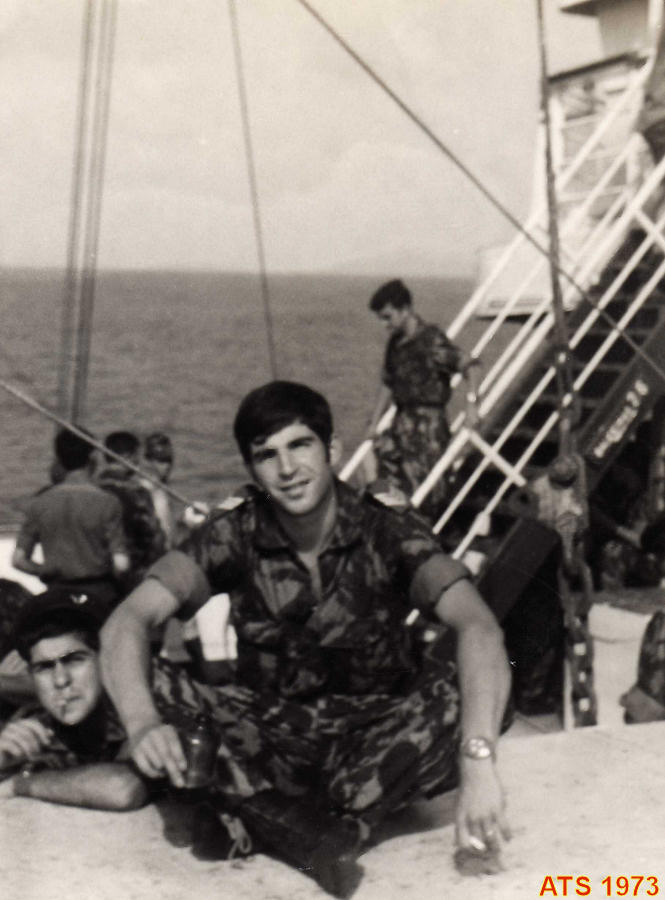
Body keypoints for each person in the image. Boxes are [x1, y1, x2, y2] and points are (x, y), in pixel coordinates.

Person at [100, 380, 511, 897]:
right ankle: (321, 830)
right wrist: (142, 725)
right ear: (252, 469)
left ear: (332, 449)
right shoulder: (234, 530)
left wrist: (478, 762)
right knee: (149, 679)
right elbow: (127, 621)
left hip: (370, 742)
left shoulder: (386, 527)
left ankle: (257, 816)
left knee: (467, 688)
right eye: (267, 455)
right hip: (269, 739)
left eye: (300, 445)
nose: (288, 469)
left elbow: (478, 626)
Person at [0, 588, 147, 810]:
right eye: (44, 667)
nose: (61, 680)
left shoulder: (144, 701)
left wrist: (19, 784)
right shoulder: (36, 725)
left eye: (75, 660)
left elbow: (123, 788)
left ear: (106, 659)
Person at [366, 279, 465, 516]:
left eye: (388, 317)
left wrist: (472, 405)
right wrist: (373, 423)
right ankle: (401, 524)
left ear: (406, 309)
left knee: (427, 492)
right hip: (402, 424)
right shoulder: (395, 343)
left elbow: (470, 365)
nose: (384, 324)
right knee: (379, 475)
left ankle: (422, 529)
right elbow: (388, 382)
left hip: (428, 428)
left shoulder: (431, 339)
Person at [12, 429, 129, 618]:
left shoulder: (40, 503)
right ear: (92, 458)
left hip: (57, 594)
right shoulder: (108, 502)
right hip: (99, 595)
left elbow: (18, 560)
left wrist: (46, 571)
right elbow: (121, 565)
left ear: (59, 459)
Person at [97, 431, 167, 590]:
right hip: (130, 577)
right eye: (137, 456)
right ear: (129, 456)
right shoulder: (137, 493)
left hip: (97, 570)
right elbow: (155, 539)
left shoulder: (92, 487)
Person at [142, 432, 175, 547]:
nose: (167, 466)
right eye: (161, 461)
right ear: (148, 461)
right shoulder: (145, 489)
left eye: (169, 460)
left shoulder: (162, 488)